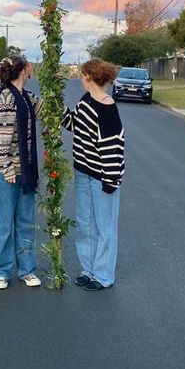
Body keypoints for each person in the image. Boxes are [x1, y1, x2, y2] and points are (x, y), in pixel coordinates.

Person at [62, 58, 125, 290]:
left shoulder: (107, 107)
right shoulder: (86, 100)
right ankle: (88, 269)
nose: (80, 78)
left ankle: (103, 275)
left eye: (82, 74)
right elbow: (74, 124)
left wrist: (110, 180)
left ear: (89, 77)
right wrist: (57, 109)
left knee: (104, 227)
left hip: (102, 177)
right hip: (82, 171)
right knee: (85, 224)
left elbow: (113, 148)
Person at [0, 55, 43, 290]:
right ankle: (1, 271)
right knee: (4, 225)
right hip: (6, 174)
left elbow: (47, 110)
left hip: (26, 172)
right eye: (29, 66)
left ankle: (27, 270)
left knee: (25, 222)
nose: (31, 69)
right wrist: (7, 169)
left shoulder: (26, 98)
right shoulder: (8, 99)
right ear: (23, 71)